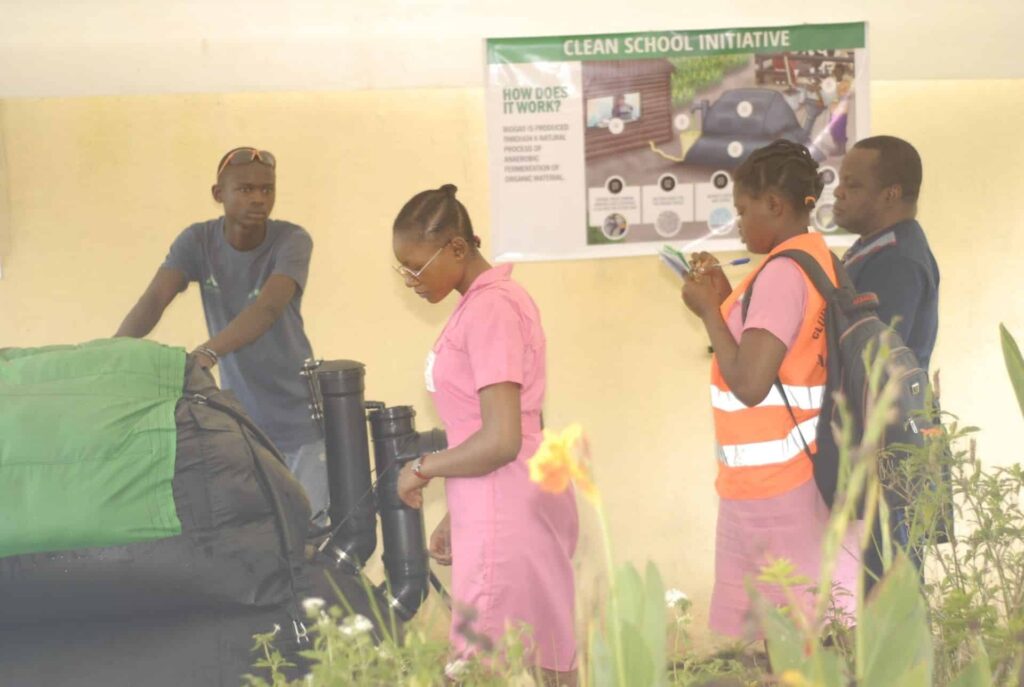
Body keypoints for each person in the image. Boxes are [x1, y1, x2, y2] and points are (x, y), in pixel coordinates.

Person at [391, 184, 577, 686]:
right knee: (547, 653)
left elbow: (499, 439)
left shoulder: (490, 308)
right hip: (509, 493)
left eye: (415, 266)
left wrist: (421, 467)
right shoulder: (491, 301)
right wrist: (458, 509)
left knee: (473, 668)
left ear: (456, 248)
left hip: (505, 498)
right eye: (401, 269)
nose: (408, 280)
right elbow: (493, 428)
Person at [681, 140, 860, 640]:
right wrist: (722, 302)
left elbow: (750, 383)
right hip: (778, 481)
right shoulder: (814, 258)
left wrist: (709, 312)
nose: (738, 222)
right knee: (776, 640)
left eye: (743, 210)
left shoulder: (783, 273)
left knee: (778, 645)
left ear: (776, 206)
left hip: (777, 488)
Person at [115, 147, 327, 520]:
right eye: (245, 189)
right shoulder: (197, 242)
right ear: (218, 194)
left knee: (310, 532)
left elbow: (267, 308)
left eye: (267, 189)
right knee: (259, 537)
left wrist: (208, 353)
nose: (259, 199)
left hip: (300, 421)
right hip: (243, 424)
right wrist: (112, 353)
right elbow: (154, 299)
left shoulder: (292, 240)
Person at [833, 135, 940, 586]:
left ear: (891, 194)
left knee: (888, 591)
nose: (837, 193)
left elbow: (876, 361)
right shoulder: (872, 248)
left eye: (852, 185)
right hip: (874, 440)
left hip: (888, 447)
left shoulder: (895, 260)